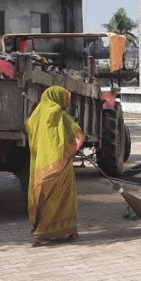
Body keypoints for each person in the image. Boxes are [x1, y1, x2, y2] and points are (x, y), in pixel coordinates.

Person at [26, 86, 85, 245]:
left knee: (43, 198)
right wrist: (73, 149)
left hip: (41, 167)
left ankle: (41, 231)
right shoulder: (60, 115)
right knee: (64, 198)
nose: (66, 103)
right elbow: (78, 136)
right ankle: (64, 231)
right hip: (60, 165)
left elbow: (29, 129)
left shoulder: (36, 116)